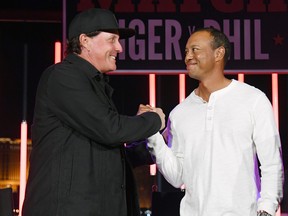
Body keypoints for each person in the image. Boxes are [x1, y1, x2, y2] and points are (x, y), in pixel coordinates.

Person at [22, 8, 165, 216]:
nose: (119, 48)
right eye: (112, 40)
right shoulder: (63, 76)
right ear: (85, 41)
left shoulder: (94, 85)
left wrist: (152, 147)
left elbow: (103, 153)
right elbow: (110, 129)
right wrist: (153, 119)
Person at [147, 27, 284, 216]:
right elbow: (177, 177)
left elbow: (271, 163)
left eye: (195, 49)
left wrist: (267, 209)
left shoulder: (253, 99)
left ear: (219, 53)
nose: (188, 57)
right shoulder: (180, 113)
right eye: (186, 51)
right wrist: (152, 134)